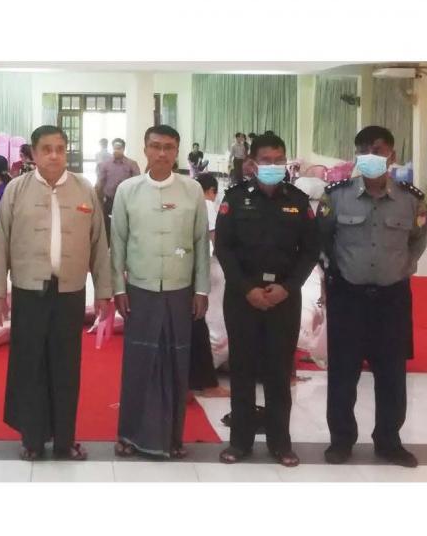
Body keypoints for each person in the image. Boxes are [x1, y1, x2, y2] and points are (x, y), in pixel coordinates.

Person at [0, 124, 113, 461]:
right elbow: (0, 241)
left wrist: (104, 292)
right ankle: (32, 439)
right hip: (29, 290)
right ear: (33, 153)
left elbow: (99, 244)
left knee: (66, 367)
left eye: (60, 148)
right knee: (29, 365)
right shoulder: (16, 190)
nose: (54, 156)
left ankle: (64, 440)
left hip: (70, 291)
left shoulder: (84, 189)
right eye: (46, 149)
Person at [317, 124, 427, 467]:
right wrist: (336, 273)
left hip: (392, 299)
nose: (370, 156)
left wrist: (400, 269)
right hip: (348, 297)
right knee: (343, 373)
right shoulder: (336, 196)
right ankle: (341, 440)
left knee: (392, 373)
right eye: (363, 150)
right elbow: (323, 238)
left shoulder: (411, 199)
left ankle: (389, 441)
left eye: (377, 150)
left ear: (392, 155)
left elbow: (418, 241)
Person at [213, 132, 318, 466]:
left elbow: (310, 251)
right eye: (266, 160)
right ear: (251, 164)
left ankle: (280, 443)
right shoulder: (234, 199)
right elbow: (224, 248)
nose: (274, 166)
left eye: (279, 160)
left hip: (284, 298)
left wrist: (288, 287)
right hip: (242, 297)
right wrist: (247, 289)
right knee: (242, 369)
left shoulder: (298, 200)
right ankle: (240, 442)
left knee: (278, 371)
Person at [110, 126, 210, 459]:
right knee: (138, 363)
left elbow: (201, 242)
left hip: (180, 290)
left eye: (169, 147)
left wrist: (201, 289)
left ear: (177, 151)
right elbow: (118, 242)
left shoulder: (192, 190)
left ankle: (171, 438)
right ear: (145, 149)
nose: (162, 153)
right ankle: (129, 434)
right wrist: (118, 287)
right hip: (141, 288)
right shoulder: (128, 190)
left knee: (176, 363)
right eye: (155, 146)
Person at [190, 173, 228, 394]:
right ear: (212, 191)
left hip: (186, 271)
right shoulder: (207, 205)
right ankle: (206, 381)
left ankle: (196, 378)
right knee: (205, 321)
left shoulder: (188, 202)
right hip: (207, 271)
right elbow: (216, 241)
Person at [94, 137, 139, 229]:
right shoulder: (105, 164)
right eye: (115, 148)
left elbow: (137, 184)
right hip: (109, 201)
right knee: (107, 226)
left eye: (119, 148)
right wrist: (98, 200)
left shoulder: (132, 164)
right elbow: (100, 182)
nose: (116, 151)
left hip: (126, 201)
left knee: (124, 225)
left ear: (123, 149)